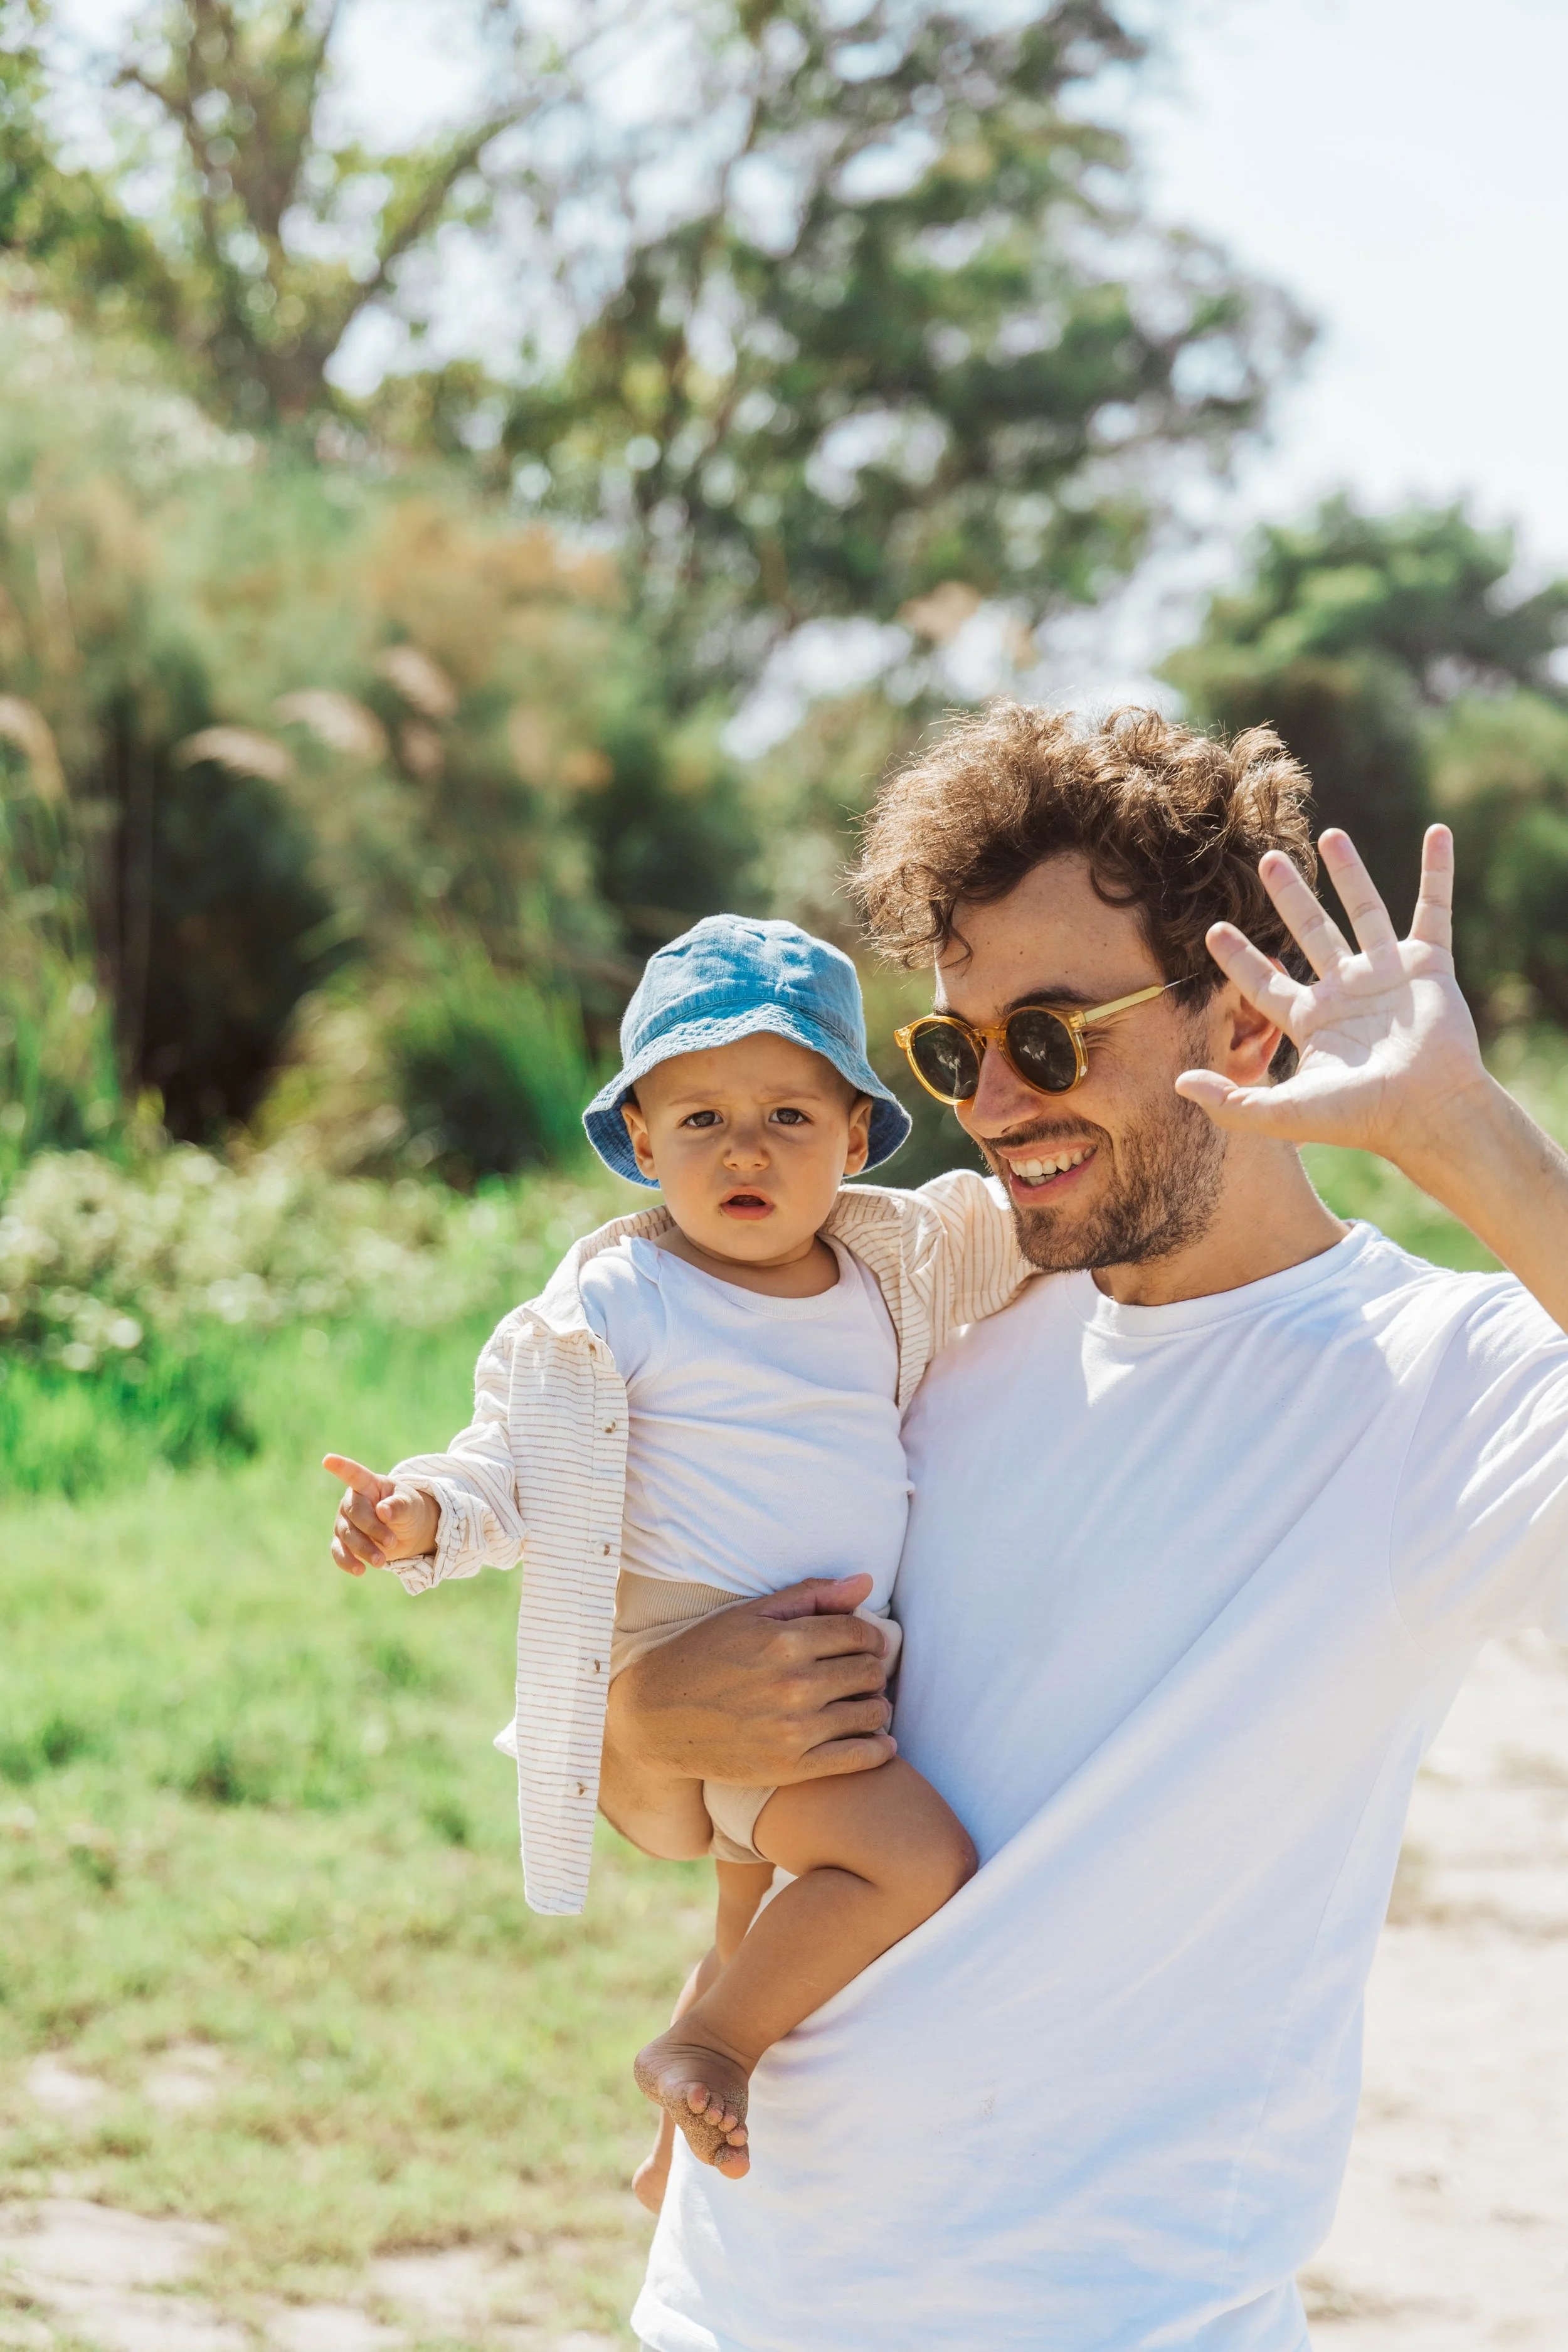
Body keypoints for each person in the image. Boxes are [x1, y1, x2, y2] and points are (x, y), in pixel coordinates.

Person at [604, 704, 1568, 2352]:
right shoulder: (915, 1324)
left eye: (1048, 1038)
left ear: (1244, 1021)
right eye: (953, 1047)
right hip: (741, 2292)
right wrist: (641, 1718)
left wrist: (1455, 1130)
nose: (991, 1102)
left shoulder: (1435, 1384)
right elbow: (671, 1808)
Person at [323, 914, 1032, 2189]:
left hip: (822, 1665)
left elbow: (1015, 1218)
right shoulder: (624, 1299)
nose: (744, 1148)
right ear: (643, 1144)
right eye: (701, 1119)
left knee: (752, 1915)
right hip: (699, 1650)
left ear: (856, 1138)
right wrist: (424, 1510)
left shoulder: (888, 1267)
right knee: (910, 1859)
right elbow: (513, 1452)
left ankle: (681, 2133)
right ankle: (709, 2044)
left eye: (788, 1117)